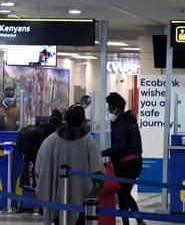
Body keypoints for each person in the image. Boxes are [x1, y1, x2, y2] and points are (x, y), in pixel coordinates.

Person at [36, 105, 103, 225]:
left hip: (56, 197)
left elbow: (39, 168)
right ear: (83, 121)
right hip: (82, 196)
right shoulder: (88, 142)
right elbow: (98, 171)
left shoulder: (51, 140)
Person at [101, 93, 145, 225]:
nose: (108, 110)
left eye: (109, 107)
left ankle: (128, 222)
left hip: (126, 164)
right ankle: (139, 220)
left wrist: (103, 153)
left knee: (122, 194)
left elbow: (120, 146)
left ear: (116, 109)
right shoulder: (131, 121)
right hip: (136, 162)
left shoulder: (120, 124)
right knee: (125, 193)